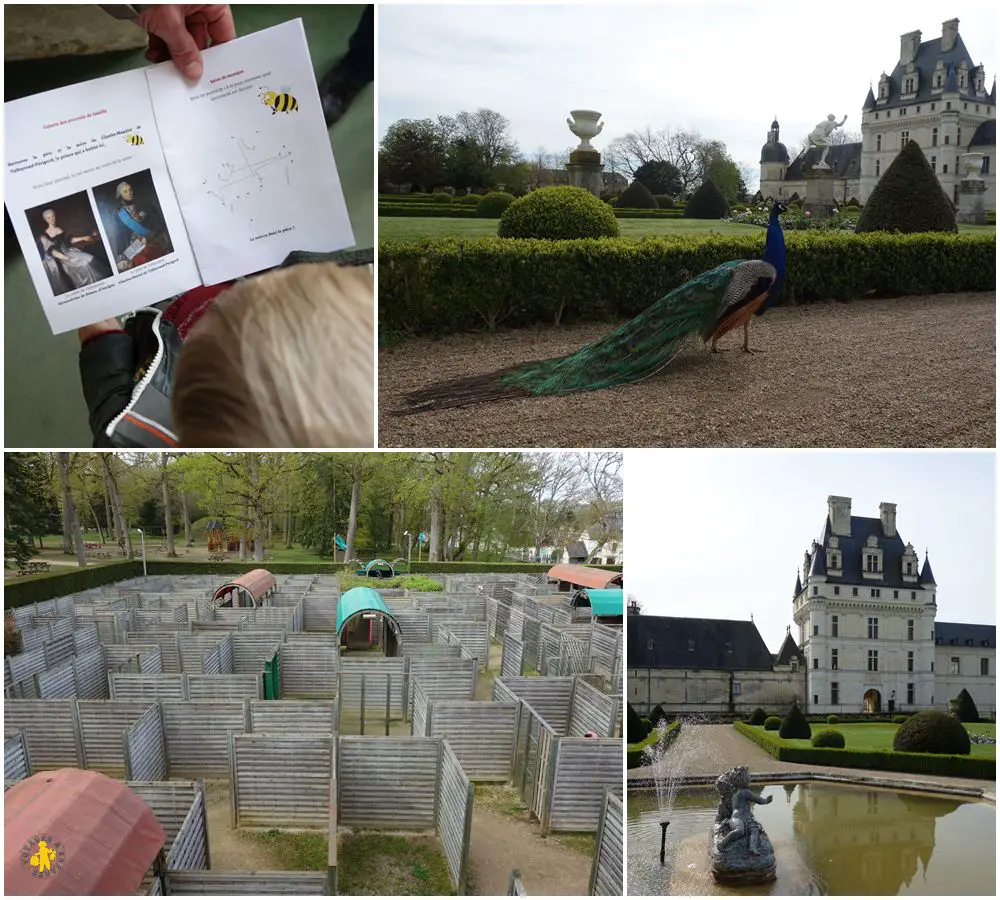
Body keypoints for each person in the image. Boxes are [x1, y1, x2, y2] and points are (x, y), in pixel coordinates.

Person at [77, 254, 374, 448]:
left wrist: (104, 347)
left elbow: (98, 331)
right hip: (245, 253)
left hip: (160, 298)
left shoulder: (126, 433)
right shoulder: (361, 292)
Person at [104, 180, 171, 271]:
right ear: (120, 195)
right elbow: (120, 235)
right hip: (137, 242)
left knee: (142, 258)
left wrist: (147, 237)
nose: (129, 193)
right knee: (126, 263)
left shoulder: (145, 204)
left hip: (155, 238)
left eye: (130, 190)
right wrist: (121, 257)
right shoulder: (120, 213)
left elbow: (160, 223)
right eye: (125, 191)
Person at [37, 209, 106, 293]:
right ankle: (91, 289)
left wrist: (83, 238)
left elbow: (69, 241)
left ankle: (99, 285)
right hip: (60, 258)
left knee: (91, 258)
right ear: (45, 220)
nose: (52, 219)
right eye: (49, 218)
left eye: (53, 216)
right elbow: (53, 252)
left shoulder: (59, 229)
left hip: (69, 251)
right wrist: (68, 259)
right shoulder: (44, 236)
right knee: (84, 264)